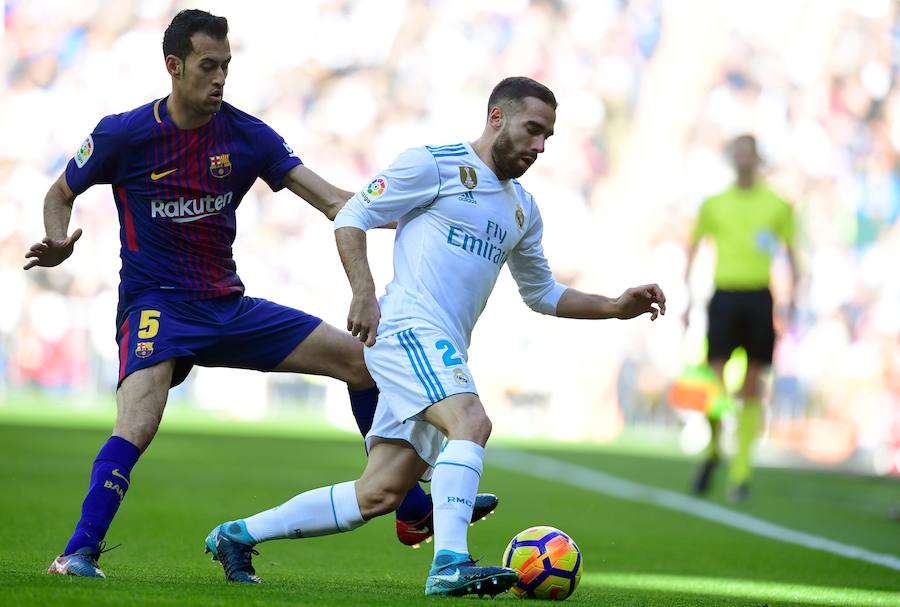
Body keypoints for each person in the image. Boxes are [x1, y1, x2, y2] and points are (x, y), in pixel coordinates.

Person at [25, 9, 493, 580]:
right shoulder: (123, 134)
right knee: (137, 425)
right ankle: (77, 553)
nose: (220, 78)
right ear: (174, 67)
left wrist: (411, 211)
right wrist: (55, 238)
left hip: (227, 304)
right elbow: (60, 192)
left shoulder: (246, 135)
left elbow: (331, 200)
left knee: (365, 363)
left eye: (226, 66)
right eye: (207, 66)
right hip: (158, 308)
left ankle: (408, 504)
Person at [207, 76, 666, 597]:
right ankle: (450, 563)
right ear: (497, 118)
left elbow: (542, 293)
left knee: (378, 494)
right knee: (470, 420)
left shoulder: (522, 209)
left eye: (548, 137)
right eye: (533, 130)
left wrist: (612, 306)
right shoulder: (434, 163)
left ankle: (237, 535)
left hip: (444, 344)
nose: (540, 147)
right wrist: (363, 292)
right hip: (407, 329)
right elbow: (353, 213)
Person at [685, 134, 798, 502]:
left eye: (749, 153)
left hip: (758, 296)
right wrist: (688, 297)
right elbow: (695, 246)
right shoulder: (715, 204)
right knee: (714, 383)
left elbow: (792, 253)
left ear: (757, 158)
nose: (743, 159)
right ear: (732, 158)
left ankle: (741, 471)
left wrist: (792, 297)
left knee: (752, 386)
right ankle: (715, 448)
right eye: (738, 153)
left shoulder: (777, 205)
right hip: (724, 295)